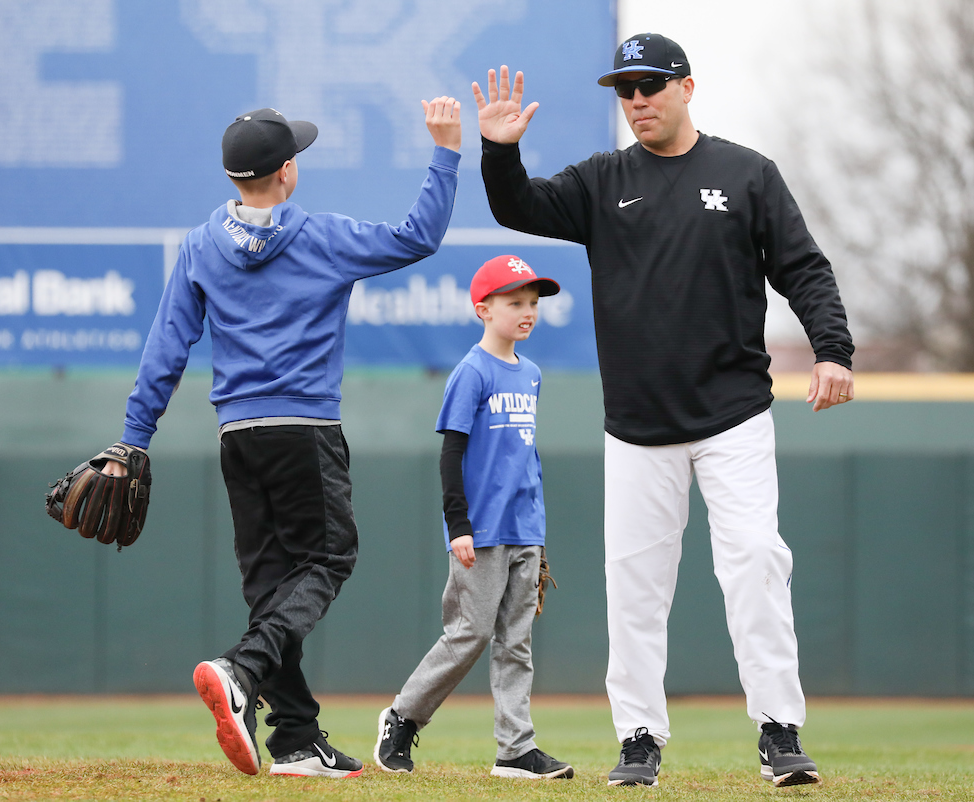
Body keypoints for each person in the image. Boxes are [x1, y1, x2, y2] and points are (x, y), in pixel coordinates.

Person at [472, 34, 855, 788]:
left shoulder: (746, 175)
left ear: (687, 87)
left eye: (651, 84)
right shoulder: (603, 181)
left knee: (755, 567)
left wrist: (833, 349)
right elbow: (518, 205)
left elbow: (804, 268)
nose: (637, 99)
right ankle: (639, 739)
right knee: (637, 589)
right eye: (625, 89)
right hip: (638, 426)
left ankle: (780, 731)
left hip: (734, 414)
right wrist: (499, 151)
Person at [103, 98, 462, 778]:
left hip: (238, 433)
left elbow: (166, 348)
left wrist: (134, 439)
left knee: (272, 580)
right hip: (305, 427)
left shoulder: (202, 244)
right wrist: (444, 152)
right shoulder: (322, 236)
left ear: (235, 177)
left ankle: (296, 738)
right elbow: (418, 236)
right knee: (327, 560)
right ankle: (242, 671)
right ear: (287, 173)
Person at [372, 255, 574, 781]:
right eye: (515, 303)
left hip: (524, 528)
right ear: (483, 309)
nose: (527, 312)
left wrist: (537, 530)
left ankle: (516, 750)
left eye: (533, 303)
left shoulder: (529, 374)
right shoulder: (471, 371)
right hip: (479, 532)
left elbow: (522, 456)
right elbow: (451, 453)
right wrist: (457, 525)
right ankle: (402, 716)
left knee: (516, 642)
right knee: (469, 633)